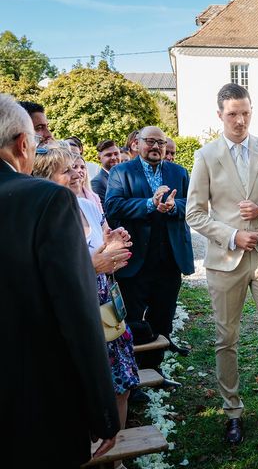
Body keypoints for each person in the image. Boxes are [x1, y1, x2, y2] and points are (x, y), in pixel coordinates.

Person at [0, 94, 119, 467]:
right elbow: (77, 313)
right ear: (23, 144)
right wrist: (103, 411)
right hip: (34, 398)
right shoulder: (45, 200)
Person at [186, 83, 258, 444]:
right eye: (233, 113)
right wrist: (232, 235)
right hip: (225, 260)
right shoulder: (205, 156)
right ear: (219, 115)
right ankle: (232, 409)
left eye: (245, 113)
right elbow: (194, 212)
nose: (240, 120)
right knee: (226, 338)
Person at [32, 145, 139, 469]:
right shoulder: (43, 216)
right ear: (46, 178)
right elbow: (47, 276)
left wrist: (114, 243)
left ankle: (114, 457)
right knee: (82, 389)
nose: (78, 173)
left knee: (121, 384)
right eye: (68, 170)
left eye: (78, 167)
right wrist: (96, 264)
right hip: (76, 310)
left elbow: (102, 248)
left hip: (106, 306)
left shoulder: (86, 206)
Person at [105, 126, 195, 367]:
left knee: (163, 318)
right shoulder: (121, 172)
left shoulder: (179, 172)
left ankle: (155, 369)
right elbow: (113, 208)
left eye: (160, 142)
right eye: (150, 141)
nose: (156, 147)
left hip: (169, 259)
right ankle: (133, 376)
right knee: (132, 320)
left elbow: (194, 207)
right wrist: (149, 204)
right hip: (135, 260)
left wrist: (174, 207)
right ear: (137, 143)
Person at [91, 140, 120, 204]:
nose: (114, 157)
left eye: (116, 154)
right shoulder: (97, 182)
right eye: (108, 155)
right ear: (99, 158)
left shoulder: (126, 177)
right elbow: (104, 211)